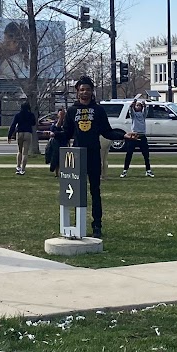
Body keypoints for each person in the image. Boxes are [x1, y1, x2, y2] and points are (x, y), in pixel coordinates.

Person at [54, 75, 125, 238]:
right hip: (77, 156)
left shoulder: (98, 110)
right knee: (76, 192)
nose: (84, 92)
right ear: (77, 92)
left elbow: (107, 132)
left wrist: (124, 136)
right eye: (81, 90)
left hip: (93, 154)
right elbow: (67, 133)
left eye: (87, 89)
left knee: (95, 191)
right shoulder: (72, 111)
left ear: (92, 92)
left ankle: (97, 225)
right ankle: (76, 225)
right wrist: (54, 133)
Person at [120, 95, 154, 178]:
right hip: (133, 136)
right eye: (137, 105)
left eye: (139, 105)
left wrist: (144, 105)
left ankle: (148, 171)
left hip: (142, 136)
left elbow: (145, 110)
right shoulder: (133, 115)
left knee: (146, 155)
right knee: (129, 154)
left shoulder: (143, 115)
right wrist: (133, 104)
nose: (138, 107)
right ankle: (125, 171)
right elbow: (131, 110)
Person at [8, 100, 37, 176]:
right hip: (28, 133)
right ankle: (23, 169)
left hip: (19, 133)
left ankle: (18, 167)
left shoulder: (18, 115)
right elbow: (34, 123)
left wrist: (9, 135)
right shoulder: (31, 115)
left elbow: (13, 125)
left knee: (19, 151)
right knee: (25, 152)